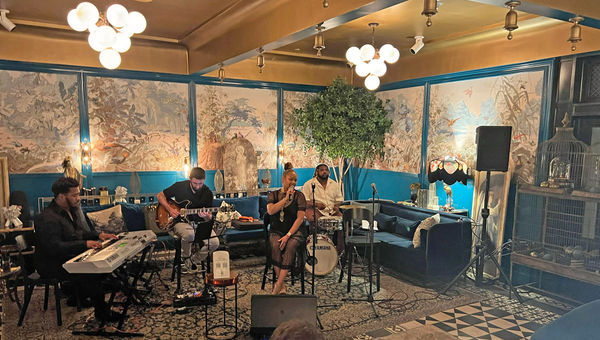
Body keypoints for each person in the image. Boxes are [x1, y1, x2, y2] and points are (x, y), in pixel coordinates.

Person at [34, 177, 119, 322]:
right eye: (74, 195)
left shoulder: (70, 211)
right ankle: (101, 312)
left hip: (68, 256)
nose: (78, 198)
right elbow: (54, 247)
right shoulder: (47, 217)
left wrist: (99, 235)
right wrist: (85, 244)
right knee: (91, 271)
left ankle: (78, 294)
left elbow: (79, 233)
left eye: (78, 194)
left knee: (103, 268)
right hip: (52, 264)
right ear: (61, 196)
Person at [157, 167, 218, 273]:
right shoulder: (179, 186)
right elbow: (160, 195)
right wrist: (170, 209)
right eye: (195, 183)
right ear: (190, 179)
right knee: (190, 234)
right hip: (180, 222)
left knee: (214, 242)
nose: (198, 186)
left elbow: (209, 217)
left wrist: (205, 216)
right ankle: (185, 257)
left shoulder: (207, 193)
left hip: (199, 224)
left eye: (200, 184)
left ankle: (191, 261)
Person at [267, 163, 306, 295]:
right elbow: (271, 211)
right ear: (283, 180)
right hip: (277, 230)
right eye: (290, 179)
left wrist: (288, 235)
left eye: (295, 180)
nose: (293, 182)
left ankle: (278, 284)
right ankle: (282, 284)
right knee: (275, 244)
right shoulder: (273, 194)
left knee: (290, 245)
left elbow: (300, 219)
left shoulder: (300, 197)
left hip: (294, 232)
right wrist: (285, 199)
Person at [301, 163, 344, 251]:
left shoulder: (334, 184)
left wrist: (336, 207)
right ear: (317, 172)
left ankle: (339, 251)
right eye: (322, 170)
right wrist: (316, 204)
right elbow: (303, 201)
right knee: (313, 218)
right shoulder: (309, 184)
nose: (324, 172)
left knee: (342, 221)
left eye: (326, 170)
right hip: (316, 210)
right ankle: (315, 247)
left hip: (331, 211)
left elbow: (339, 200)